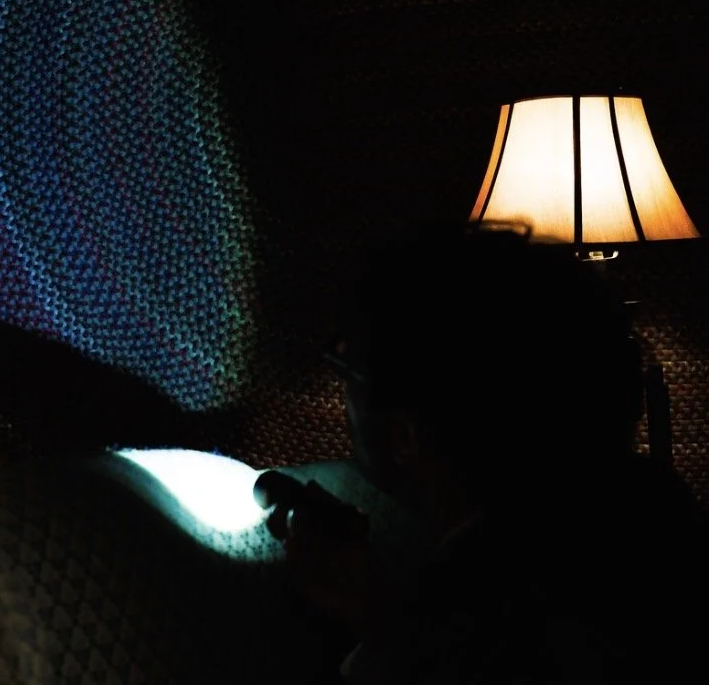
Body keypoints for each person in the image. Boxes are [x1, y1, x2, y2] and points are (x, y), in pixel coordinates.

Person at [271, 221, 709, 683]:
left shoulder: (477, 612)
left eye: (346, 367)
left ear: (405, 434)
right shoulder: (661, 508)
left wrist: (385, 632)